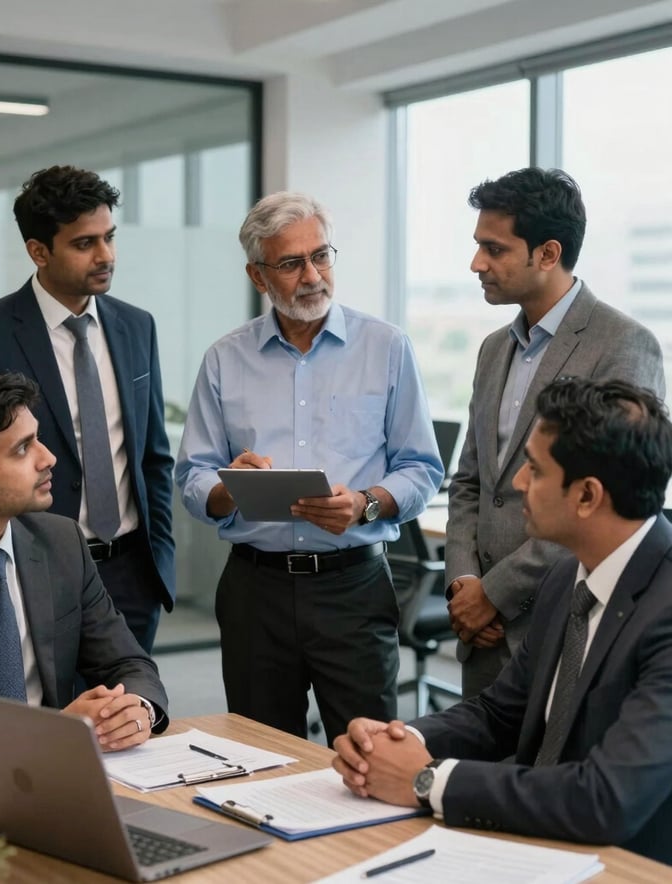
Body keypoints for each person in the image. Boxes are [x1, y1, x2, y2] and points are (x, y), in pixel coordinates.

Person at [333, 377, 672, 864]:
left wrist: (425, 779)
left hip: (627, 865)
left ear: (587, 496)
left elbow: (606, 798)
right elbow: (499, 714)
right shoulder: (565, 578)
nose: (516, 484)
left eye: (533, 469)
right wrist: (400, 742)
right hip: (535, 845)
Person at [175, 191, 443, 745]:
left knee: (368, 756)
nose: (313, 275)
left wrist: (366, 504)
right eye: (291, 263)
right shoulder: (225, 358)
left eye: (321, 256)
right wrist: (231, 489)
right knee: (258, 756)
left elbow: (421, 468)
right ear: (258, 275)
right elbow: (192, 476)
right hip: (256, 590)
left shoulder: (387, 347)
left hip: (354, 588)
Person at [0, 165, 174, 655]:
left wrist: (159, 562)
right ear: (39, 251)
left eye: (109, 237)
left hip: (131, 573)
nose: (106, 255)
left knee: (129, 718)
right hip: (31, 570)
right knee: (47, 723)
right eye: (85, 243)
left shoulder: (136, 327)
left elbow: (153, 457)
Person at [446, 167, 665, 698]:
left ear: (547, 253)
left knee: (553, 777)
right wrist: (463, 584)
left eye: (494, 249)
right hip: (480, 631)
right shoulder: (493, 348)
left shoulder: (623, 344)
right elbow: (471, 481)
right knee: (479, 767)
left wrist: (495, 594)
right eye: (478, 246)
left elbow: (608, 505)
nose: (477, 263)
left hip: (565, 621)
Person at [0, 371, 169, 757]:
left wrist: (136, 710)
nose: (49, 458)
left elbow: (128, 663)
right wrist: (47, 729)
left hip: (59, 772)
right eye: (23, 449)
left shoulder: (62, 542)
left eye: (38, 438)